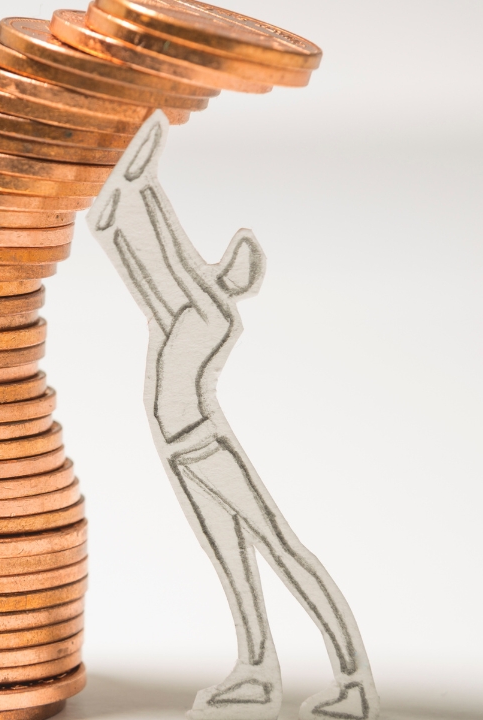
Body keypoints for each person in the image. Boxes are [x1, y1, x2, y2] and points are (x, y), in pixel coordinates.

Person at [87, 113, 380, 720]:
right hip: (179, 450)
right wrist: (125, 195)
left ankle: (351, 678)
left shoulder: (211, 316)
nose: (238, 261)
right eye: (235, 255)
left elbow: (164, 260)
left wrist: (140, 185)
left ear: (239, 281)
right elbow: (149, 265)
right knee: (231, 560)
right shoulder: (182, 312)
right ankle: (255, 671)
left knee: (279, 547)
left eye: (245, 262)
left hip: (203, 445)